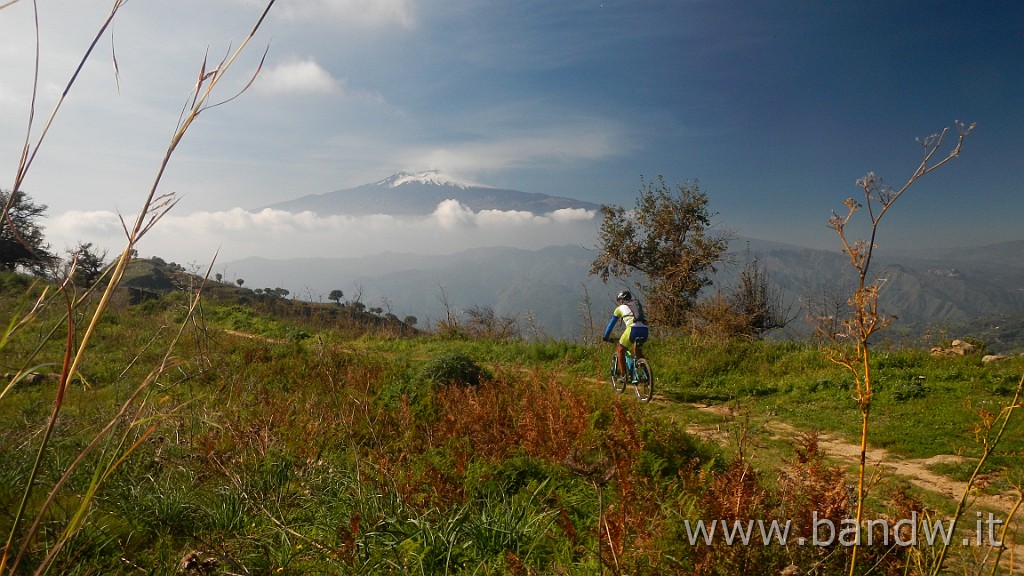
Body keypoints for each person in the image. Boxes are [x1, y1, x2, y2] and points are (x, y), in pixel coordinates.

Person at [602, 290, 649, 382]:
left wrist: (606, 337)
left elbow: (610, 325)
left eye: (619, 301)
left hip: (632, 330)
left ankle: (623, 376)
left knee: (620, 350)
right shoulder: (636, 306)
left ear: (622, 300)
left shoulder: (619, 309)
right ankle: (647, 375)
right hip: (644, 330)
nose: (619, 303)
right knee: (638, 353)